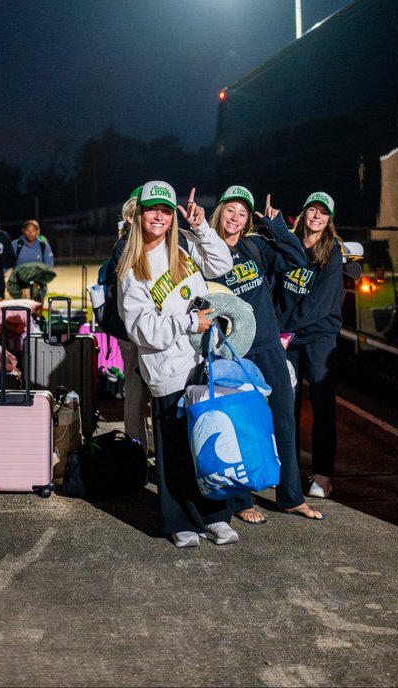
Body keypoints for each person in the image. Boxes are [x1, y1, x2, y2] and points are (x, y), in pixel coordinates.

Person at [117, 181, 236, 548]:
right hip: (167, 371)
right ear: (139, 214)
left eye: (166, 211)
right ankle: (180, 520)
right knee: (176, 452)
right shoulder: (131, 267)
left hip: (203, 363)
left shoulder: (183, 249)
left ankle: (215, 516)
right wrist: (188, 323)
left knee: (209, 447)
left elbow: (222, 263)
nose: (160, 216)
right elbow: (142, 329)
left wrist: (201, 228)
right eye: (153, 209)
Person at [208, 186, 324, 524]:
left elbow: (298, 260)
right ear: (220, 212)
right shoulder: (208, 252)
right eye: (231, 210)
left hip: (269, 344)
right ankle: (243, 500)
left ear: (247, 221)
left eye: (243, 213)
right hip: (234, 351)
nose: (235, 218)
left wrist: (277, 227)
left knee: (284, 421)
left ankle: (290, 497)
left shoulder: (255, 246)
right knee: (243, 425)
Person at [277, 191, 345, 499]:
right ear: (303, 213)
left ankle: (323, 475)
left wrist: (286, 329)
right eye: (312, 210)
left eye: (323, 213)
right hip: (288, 338)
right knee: (286, 405)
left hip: (319, 337)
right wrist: (278, 328)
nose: (317, 216)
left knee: (322, 405)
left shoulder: (333, 252)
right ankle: (287, 471)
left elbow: (318, 305)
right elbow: (276, 288)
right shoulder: (288, 245)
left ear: (329, 220)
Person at [108, 186, 152, 453]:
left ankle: (158, 447)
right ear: (129, 218)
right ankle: (136, 449)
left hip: (156, 328)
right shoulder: (123, 246)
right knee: (136, 393)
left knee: (158, 391)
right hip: (133, 331)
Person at [10, 219, 56, 300]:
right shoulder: (16, 245)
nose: (30, 233)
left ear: (38, 231)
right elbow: (8, 263)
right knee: (24, 310)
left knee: (37, 310)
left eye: (33, 230)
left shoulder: (43, 245)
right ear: (23, 231)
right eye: (28, 230)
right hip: (21, 286)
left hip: (39, 285)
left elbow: (49, 265)